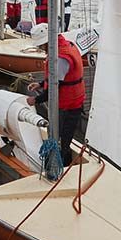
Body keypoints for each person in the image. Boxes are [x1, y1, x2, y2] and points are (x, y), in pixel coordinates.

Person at [24, 24, 85, 167]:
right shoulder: (66, 45)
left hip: (69, 105)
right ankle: (62, 161)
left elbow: (55, 86)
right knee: (62, 136)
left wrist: (36, 100)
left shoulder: (60, 58)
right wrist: (40, 84)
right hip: (73, 100)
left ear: (47, 42)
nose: (40, 49)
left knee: (63, 140)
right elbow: (57, 77)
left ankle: (60, 168)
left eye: (41, 45)